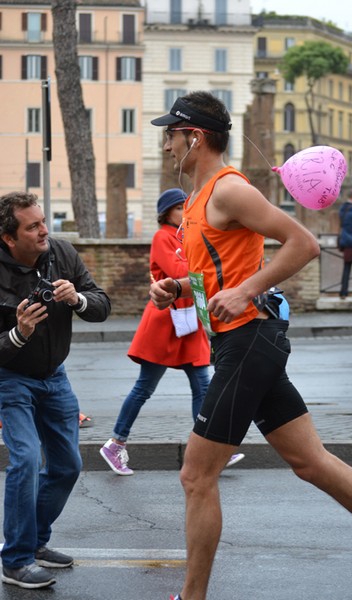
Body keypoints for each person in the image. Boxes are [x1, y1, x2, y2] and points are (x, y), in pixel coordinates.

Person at [149, 91, 352, 600]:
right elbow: (213, 271)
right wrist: (177, 288)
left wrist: (246, 289)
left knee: (196, 475)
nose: (166, 144)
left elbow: (304, 244)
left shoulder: (229, 189)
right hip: (238, 344)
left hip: (249, 340)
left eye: (171, 134)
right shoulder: (197, 200)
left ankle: (191, 598)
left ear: (194, 137)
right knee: (311, 462)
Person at [0, 192, 111, 589]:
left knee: (67, 465)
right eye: (33, 226)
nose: (45, 230)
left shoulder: (61, 253)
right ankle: (14, 561)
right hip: (10, 377)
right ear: (9, 238)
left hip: (54, 375)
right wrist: (18, 333)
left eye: (43, 221)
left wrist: (77, 299)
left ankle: (34, 543)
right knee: (26, 460)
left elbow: (101, 304)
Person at [100, 188, 244, 476]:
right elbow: (180, 270)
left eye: (186, 207)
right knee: (144, 388)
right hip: (165, 320)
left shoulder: (185, 235)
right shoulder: (162, 236)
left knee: (203, 387)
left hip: (189, 321)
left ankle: (210, 451)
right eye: (179, 208)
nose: (184, 212)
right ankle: (115, 444)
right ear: (167, 212)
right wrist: (203, 262)